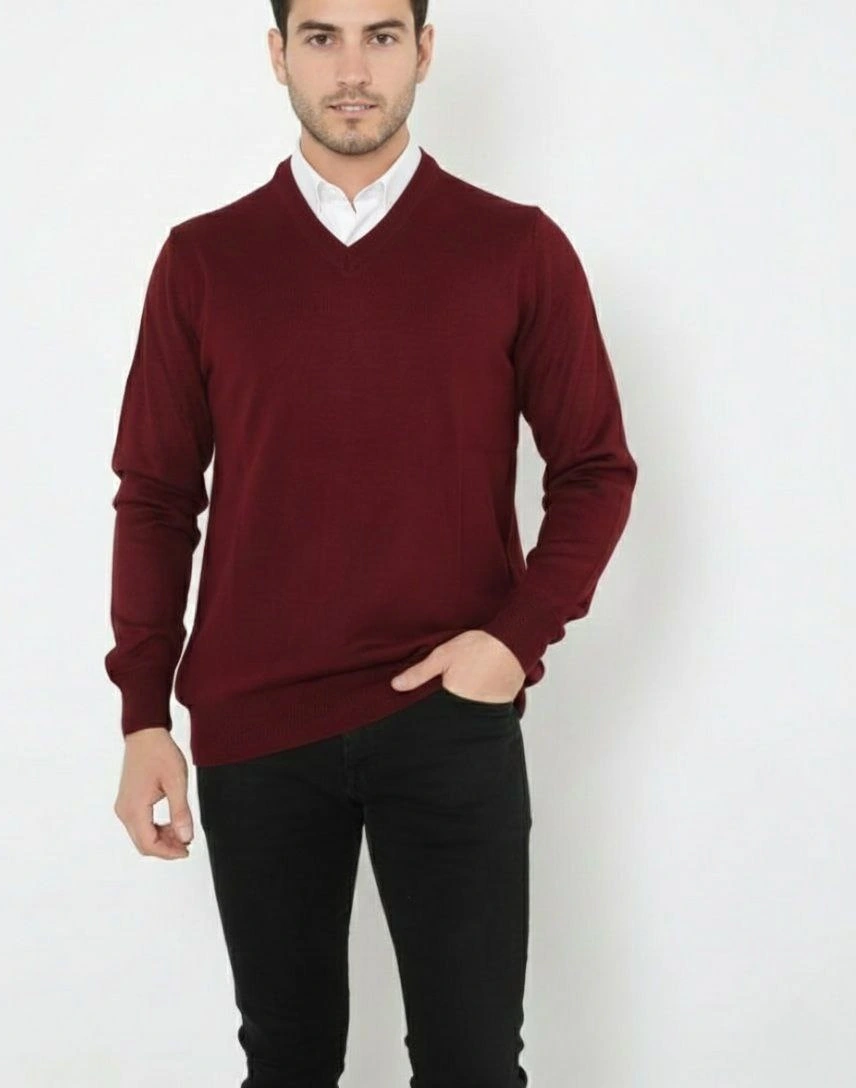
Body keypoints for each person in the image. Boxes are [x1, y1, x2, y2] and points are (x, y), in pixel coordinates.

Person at [105, 1, 638, 1084]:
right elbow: (156, 496)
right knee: (288, 1062)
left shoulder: (517, 249)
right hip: (257, 728)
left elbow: (595, 469)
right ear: (278, 54)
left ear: (424, 50)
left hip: (449, 718)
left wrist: (514, 640)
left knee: (473, 1064)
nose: (352, 68)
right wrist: (143, 714)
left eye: (382, 35)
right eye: (321, 37)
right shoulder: (204, 261)